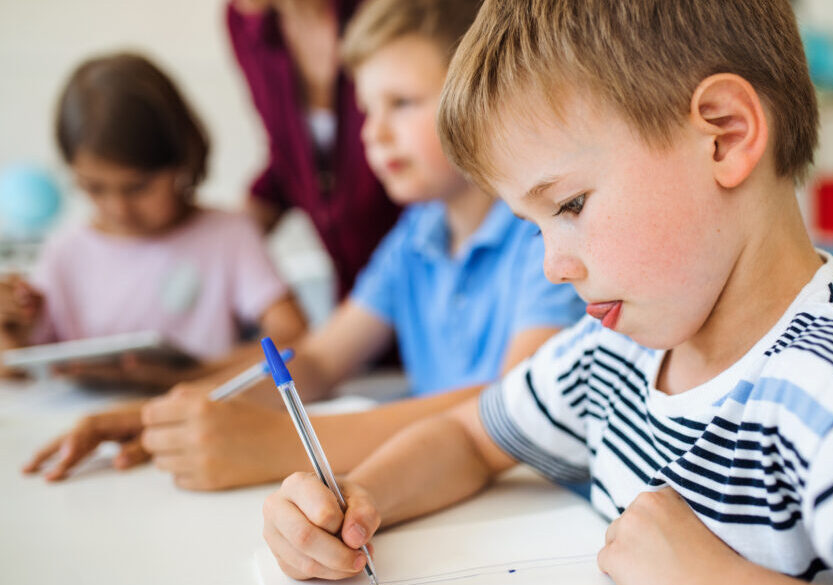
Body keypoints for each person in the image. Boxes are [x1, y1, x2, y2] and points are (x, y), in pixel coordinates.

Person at [260, 1, 833, 583]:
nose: (554, 265)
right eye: (533, 226)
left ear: (723, 136)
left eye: (568, 207)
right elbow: (469, 437)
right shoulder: (613, 350)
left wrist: (715, 576)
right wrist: (354, 500)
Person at [25, 0, 584, 492]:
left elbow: (510, 405)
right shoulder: (415, 236)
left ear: (477, 98)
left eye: (402, 103)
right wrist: (161, 414)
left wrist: (275, 444)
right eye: (367, 108)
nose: (373, 132)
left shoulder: (538, 234)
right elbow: (315, 360)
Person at [13, 52, 307, 478]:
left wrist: (195, 372)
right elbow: (18, 370)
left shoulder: (228, 235)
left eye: (137, 187)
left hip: (196, 433)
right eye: (94, 188)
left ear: (181, 160)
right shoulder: (64, 251)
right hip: (84, 449)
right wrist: (11, 331)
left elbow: (294, 338)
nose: (118, 208)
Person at [228, 0, 400, 301]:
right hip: (356, 289)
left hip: (419, 265)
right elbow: (288, 158)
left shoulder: (391, 13)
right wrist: (220, 238)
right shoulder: (245, 24)